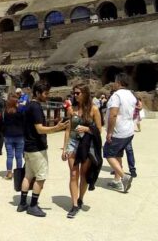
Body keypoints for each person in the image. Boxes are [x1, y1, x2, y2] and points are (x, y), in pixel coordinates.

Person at [16, 81, 69, 217]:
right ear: (38, 93)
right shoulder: (36, 107)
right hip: (37, 148)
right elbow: (39, 129)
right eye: (45, 93)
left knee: (28, 176)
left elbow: (34, 126)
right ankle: (33, 205)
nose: (47, 96)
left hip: (28, 147)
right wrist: (57, 128)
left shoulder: (28, 106)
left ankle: (22, 203)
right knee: (40, 177)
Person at [61, 83, 103, 218]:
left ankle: (80, 198)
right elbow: (68, 129)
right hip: (73, 143)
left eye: (78, 93)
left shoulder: (94, 109)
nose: (75, 95)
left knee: (84, 175)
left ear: (85, 94)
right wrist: (65, 147)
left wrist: (87, 129)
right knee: (73, 175)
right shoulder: (71, 109)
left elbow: (99, 129)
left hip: (86, 145)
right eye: (74, 93)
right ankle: (74, 205)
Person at [104, 73, 136, 192]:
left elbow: (113, 114)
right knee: (118, 154)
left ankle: (124, 177)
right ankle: (117, 181)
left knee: (108, 153)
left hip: (118, 131)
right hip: (129, 130)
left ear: (118, 82)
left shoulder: (116, 96)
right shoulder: (131, 95)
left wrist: (110, 132)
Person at [0, 95, 24, 180]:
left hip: (8, 136)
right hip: (20, 135)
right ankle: (19, 175)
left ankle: (9, 173)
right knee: (19, 156)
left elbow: (2, 123)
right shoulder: (20, 110)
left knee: (10, 156)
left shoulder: (5, 111)